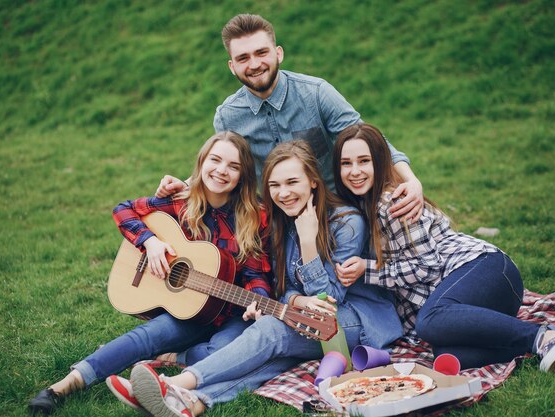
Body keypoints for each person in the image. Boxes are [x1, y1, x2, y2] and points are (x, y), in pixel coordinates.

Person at [125, 141, 403, 416]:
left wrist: (308, 245)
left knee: (272, 331)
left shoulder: (346, 222)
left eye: (293, 182)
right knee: (278, 356)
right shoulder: (280, 222)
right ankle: (192, 402)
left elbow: (330, 300)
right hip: (309, 320)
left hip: (357, 319)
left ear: (314, 182)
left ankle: (176, 383)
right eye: (274, 185)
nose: (284, 193)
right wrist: (296, 298)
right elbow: (283, 290)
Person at [27, 132, 273, 414]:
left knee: (222, 355)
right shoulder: (181, 201)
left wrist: (260, 299)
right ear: (202, 162)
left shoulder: (255, 215)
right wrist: (150, 242)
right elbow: (124, 210)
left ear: (243, 175)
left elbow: (256, 271)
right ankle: (63, 386)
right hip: (187, 309)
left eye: (233, 166)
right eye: (215, 160)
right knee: (145, 337)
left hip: (230, 313)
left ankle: (170, 357)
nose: (221, 170)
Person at [332, 123, 555, 371]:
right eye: (346, 163)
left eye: (364, 161)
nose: (355, 171)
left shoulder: (393, 203)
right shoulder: (364, 208)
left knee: (430, 320)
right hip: (470, 305)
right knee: (447, 356)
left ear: (379, 162)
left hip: (487, 270)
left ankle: (542, 337)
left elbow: (428, 266)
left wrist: (368, 271)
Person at [156, 13, 424, 223]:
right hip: (276, 219)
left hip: (337, 210)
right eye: (243, 58)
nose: (254, 64)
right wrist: (188, 184)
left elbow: (368, 140)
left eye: (262, 53)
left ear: (278, 53)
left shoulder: (316, 93)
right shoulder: (228, 116)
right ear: (232, 66)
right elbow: (222, 166)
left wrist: (411, 180)